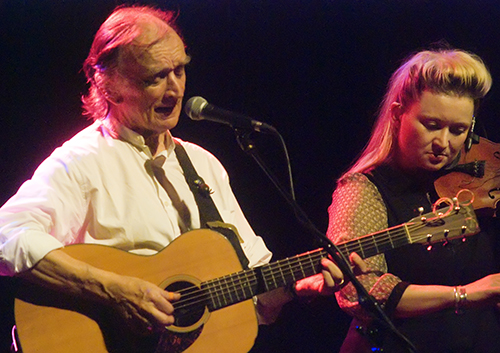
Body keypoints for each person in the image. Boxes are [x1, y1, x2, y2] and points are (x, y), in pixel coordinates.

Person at [0, 5, 360, 352]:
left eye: (179, 70)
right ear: (107, 85)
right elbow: (6, 236)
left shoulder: (203, 165)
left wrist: (296, 288)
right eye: (155, 77)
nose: (174, 89)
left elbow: (250, 286)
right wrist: (116, 290)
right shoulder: (81, 163)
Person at [327, 47, 500, 352]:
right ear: (397, 115)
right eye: (431, 125)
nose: (443, 143)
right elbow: (360, 290)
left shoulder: (483, 182)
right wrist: (463, 294)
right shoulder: (364, 188)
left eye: (458, 130)